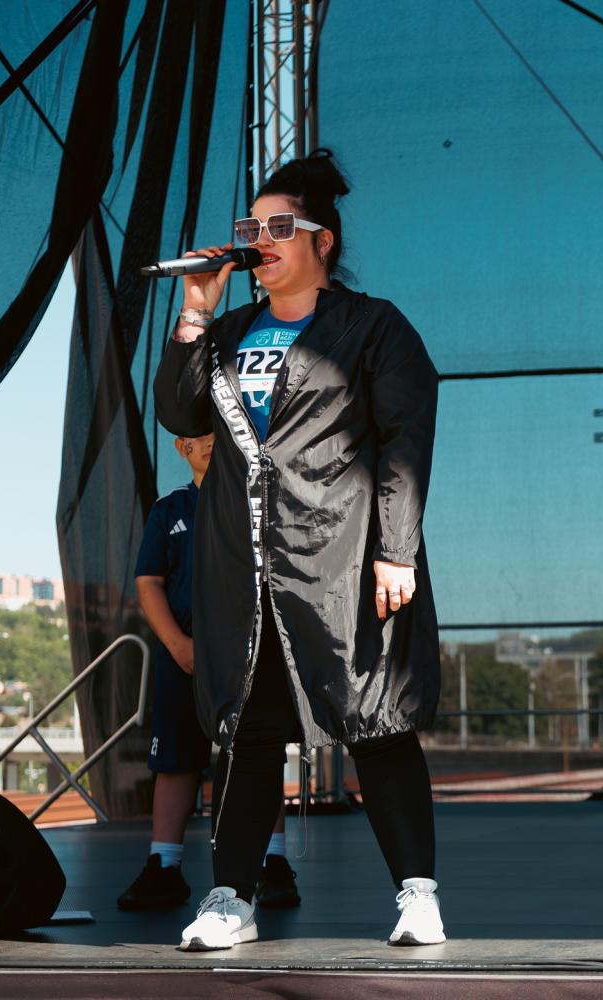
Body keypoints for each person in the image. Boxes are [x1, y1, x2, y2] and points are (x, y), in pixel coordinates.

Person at [154, 149, 444, 950]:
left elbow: (405, 440)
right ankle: (230, 899)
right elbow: (180, 414)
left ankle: (417, 894)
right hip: (244, 566)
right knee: (247, 729)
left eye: (280, 227)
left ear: (323, 240)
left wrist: (396, 550)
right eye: (251, 229)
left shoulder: (372, 326)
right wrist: (195, 312)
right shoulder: (230, 332)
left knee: (376, 719)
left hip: (341, 557)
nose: (261, 241)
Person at [117, 433, 300, 911]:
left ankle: (272, 862)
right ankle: (164, 865)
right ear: (181, 448)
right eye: (196, 436)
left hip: (250, 654)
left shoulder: (258, 502)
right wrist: (178, 645)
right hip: (185, 656)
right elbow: (148, 583)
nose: (209, 442)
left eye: (216, 432)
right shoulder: (169, 510)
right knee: (174, 758)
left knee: (258, 754)